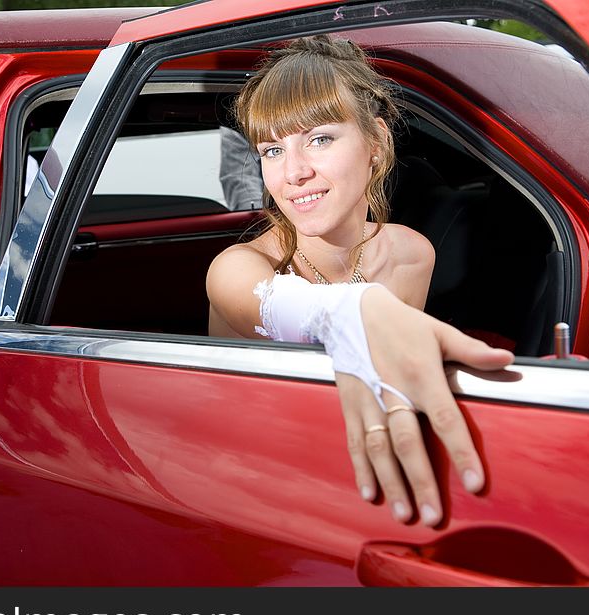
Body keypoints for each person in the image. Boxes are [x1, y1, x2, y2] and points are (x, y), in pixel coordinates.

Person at [206, 35, 514, 527]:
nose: (294, 172)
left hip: (351, 485)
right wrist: (358, 307)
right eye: (271, 150)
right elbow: (278, 306)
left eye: (319, 139)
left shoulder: (411, 254)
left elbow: (385, 386)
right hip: (246, 482)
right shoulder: (236, 268)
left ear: (375, 142)